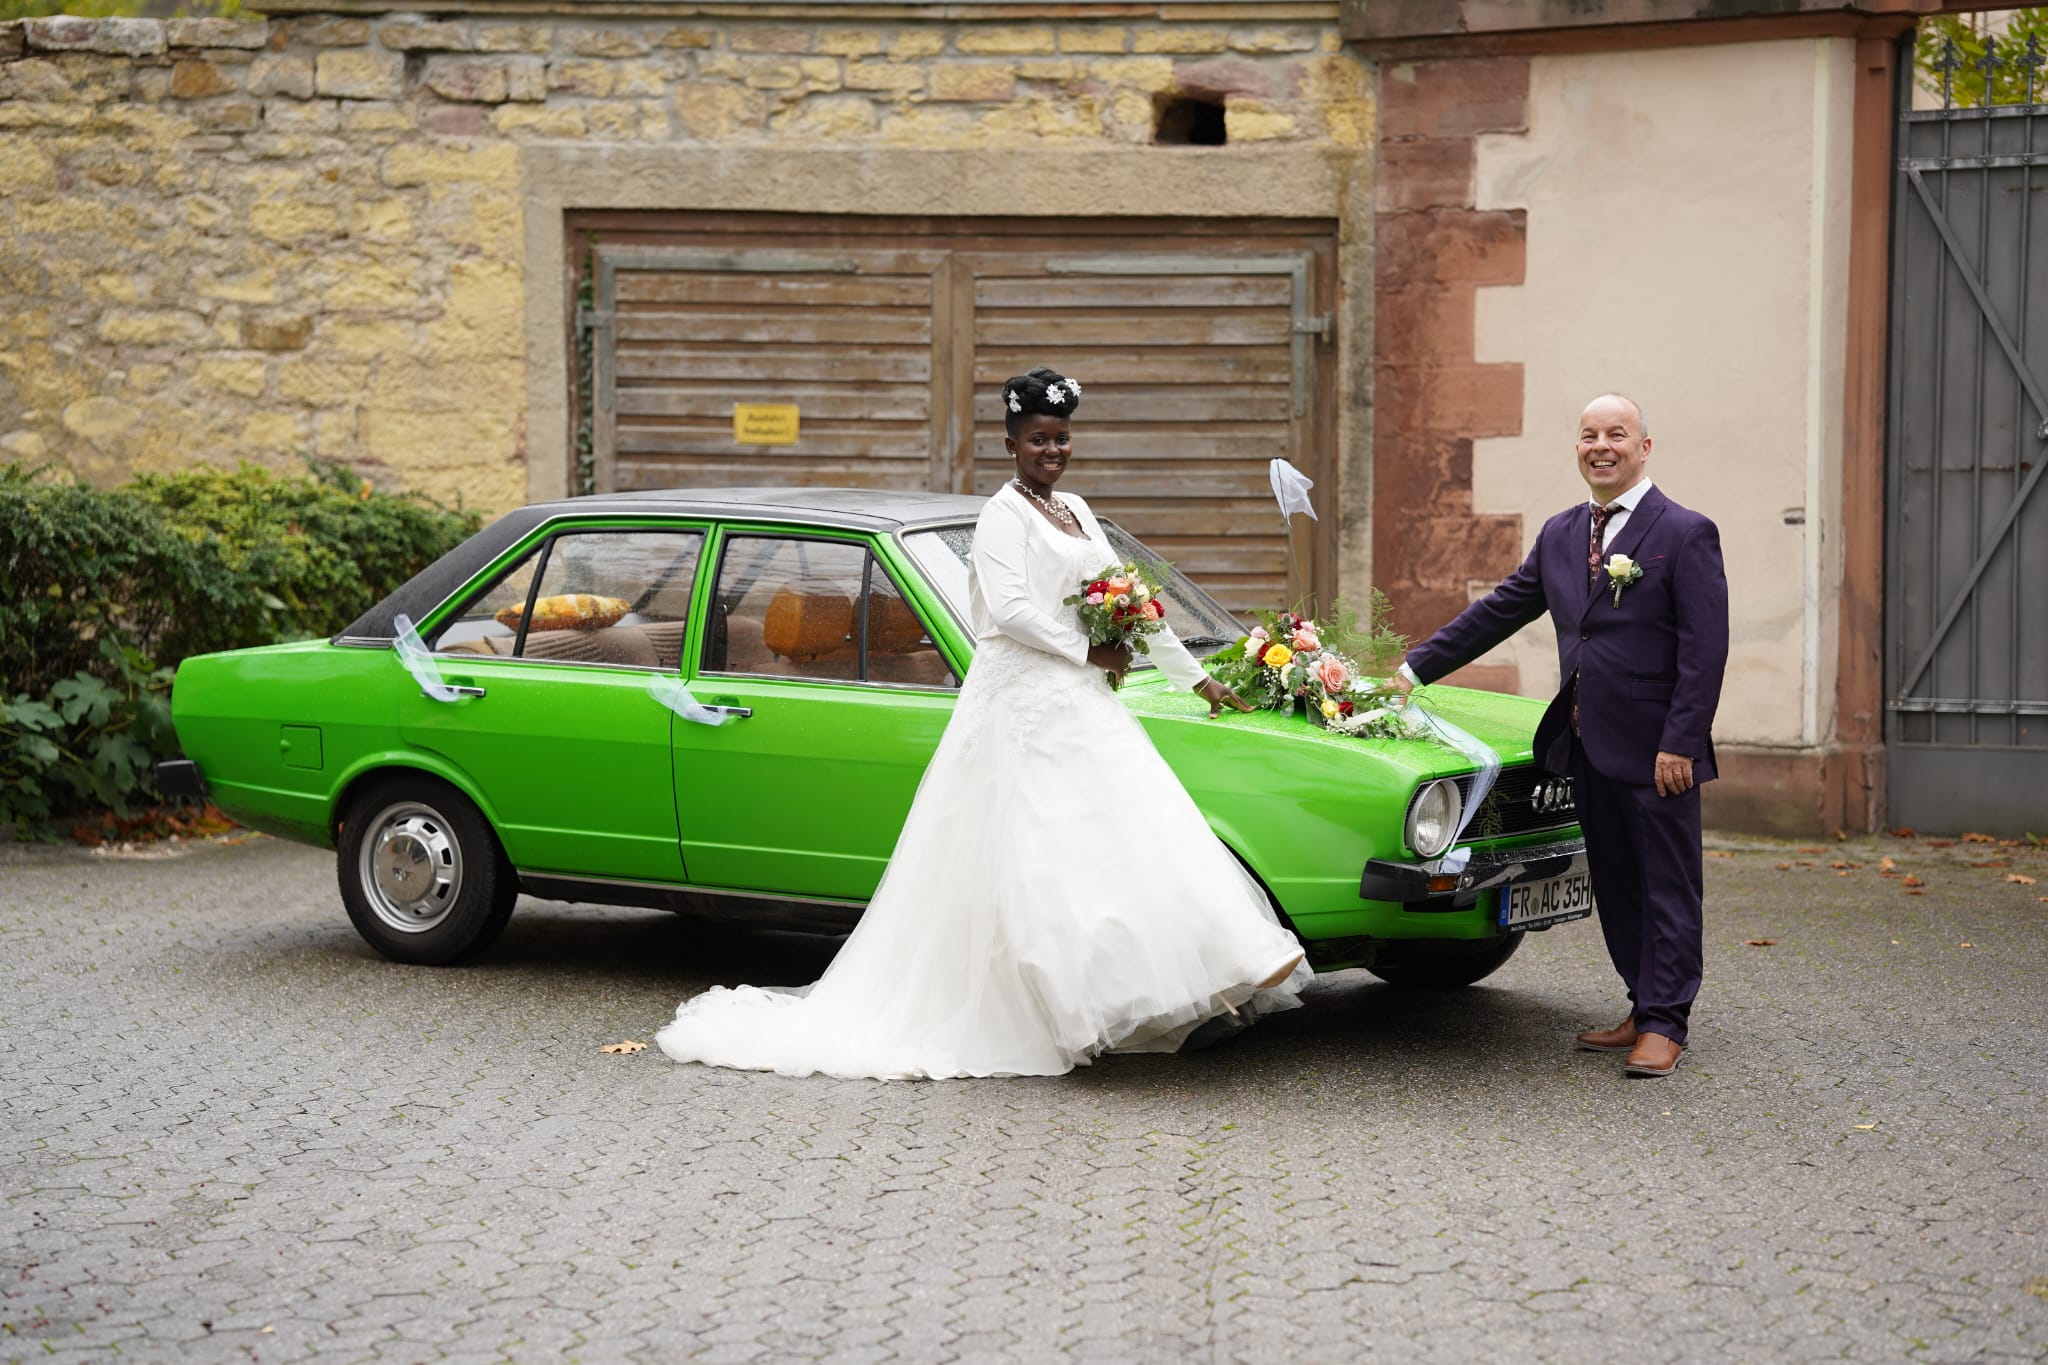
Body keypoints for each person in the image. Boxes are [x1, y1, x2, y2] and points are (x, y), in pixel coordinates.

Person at [655, 366, 1309, 1079]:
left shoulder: (1078, 510)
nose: (1051, 451)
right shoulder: (1002, 515)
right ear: (1011, 444)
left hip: (1082, 701)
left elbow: (1133, 603)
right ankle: (1069, 1007)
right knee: (1044, 855)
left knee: (1129, 834)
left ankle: (1200, 977)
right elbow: (1009, 611)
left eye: (1061, 438)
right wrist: (1089, 650)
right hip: (1021, 703)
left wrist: (1200, 679)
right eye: (1038, 440)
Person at [1388, 394, 1727, 1078]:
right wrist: (1412, 669)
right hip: (1586, 743)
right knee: (1618, 884)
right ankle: (1642, 1003)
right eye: (1589, 435)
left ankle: (1666, 1023)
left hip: (1658, 751)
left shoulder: (1685, 532)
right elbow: (1498, 611)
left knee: (1667, 885)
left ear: (1644, 447)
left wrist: (1682, 742)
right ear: (1578, 448)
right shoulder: (1562, 533)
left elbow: (1705, 649)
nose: (1602, 446)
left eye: (1617, 434)